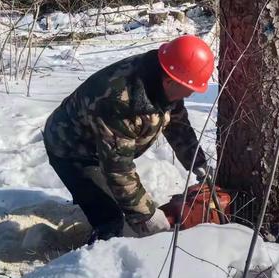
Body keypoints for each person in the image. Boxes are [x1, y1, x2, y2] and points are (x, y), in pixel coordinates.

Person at [43, 35, 214, 241]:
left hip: (102, 143)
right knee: (111, 219)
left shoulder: (165, 77)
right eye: (188, 91)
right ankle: (96, 261)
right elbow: (117, 167)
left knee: (124, 201)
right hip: (70, 148)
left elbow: (177, 124)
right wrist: (146, 215)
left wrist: (197, 162)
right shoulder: (119, 100)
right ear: (170, 80)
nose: (189, 96)